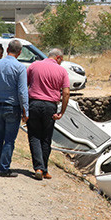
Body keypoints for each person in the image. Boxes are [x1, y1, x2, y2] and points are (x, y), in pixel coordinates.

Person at [26, 48, 70, 180]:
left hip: (34, 104)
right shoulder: (62, 71)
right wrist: (61, 112)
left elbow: (24, 85)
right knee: (46, 138)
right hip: (50, 106)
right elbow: (66, 93)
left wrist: (23, 107)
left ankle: (39, 167)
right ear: (58, 58)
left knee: (34, 136)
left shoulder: (34, 66)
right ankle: (44, 169)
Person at [0, 39, 28, 177]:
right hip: (12, 107)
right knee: (9, 140)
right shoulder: (20, 67)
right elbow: (22, 92)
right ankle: (4, 168)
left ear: (7, 50)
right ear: (20, 52)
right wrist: (25, 111)